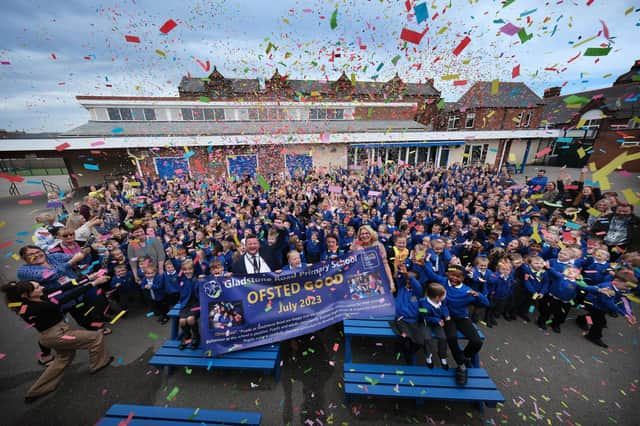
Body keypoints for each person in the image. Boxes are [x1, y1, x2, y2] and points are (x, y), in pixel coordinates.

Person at [1, 279, 113, 403]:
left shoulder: (34, 299)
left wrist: (88, 278)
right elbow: (64, 298)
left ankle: (37, 390)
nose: (41, 287)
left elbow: (60, 289)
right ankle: (99, 364)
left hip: (52, 335)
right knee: (96, 337)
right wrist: (92, 284)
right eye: (37, 287)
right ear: (25, 295)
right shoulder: (35, 307)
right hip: (58, 335)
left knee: (64, 357)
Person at [424, 263, 489, 385]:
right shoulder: (443, 282)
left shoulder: (467, 291)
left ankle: (463, 358)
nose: (454, 278)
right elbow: (431, 275)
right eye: (452, 275)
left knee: (477, 342)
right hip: (448, 317)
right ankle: (461, 365)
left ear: (463, 278)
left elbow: (486, 303)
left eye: (458, 276)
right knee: (452, 337)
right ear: (448, 274)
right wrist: (426, 262)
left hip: (462, 317)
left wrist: (478, 295)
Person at [576, 270, 637, 348]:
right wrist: (624, 314)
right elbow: (609, 304)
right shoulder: (607, 289)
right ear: (616, 281)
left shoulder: (625, 290)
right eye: (626, 286)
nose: (628, 289)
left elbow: (625, 301)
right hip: (592, 304)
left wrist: (630, 314)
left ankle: (581, 320)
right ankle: (593, 336)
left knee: (594, 317)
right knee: (600, 322)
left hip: (602, 306)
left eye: (630, 287)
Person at [421, 282, 450, 370]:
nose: (445, 297)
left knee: (443, 338)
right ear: (437, 297)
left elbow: (444, 307)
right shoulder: (423, 304)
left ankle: (442, 355)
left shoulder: (442, 301)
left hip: (438, 323)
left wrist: (446, 315)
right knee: (427, 338)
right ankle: (428, 355)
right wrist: (437, 320)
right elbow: (424, 316)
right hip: (426, 323)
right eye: (444, 295)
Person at [176, 260, 200, 350]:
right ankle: (187, 336)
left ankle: (196, 336)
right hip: (185, 305)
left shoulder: (196, 279)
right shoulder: (181, 279)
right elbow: (177, 267)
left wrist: (195, 254)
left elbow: (198, 266)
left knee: (190, 319)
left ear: (193, 270)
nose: (187, 271)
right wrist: (173, 258)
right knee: (182, 321)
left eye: (190, 269)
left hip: (196, 305)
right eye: (185, 269)